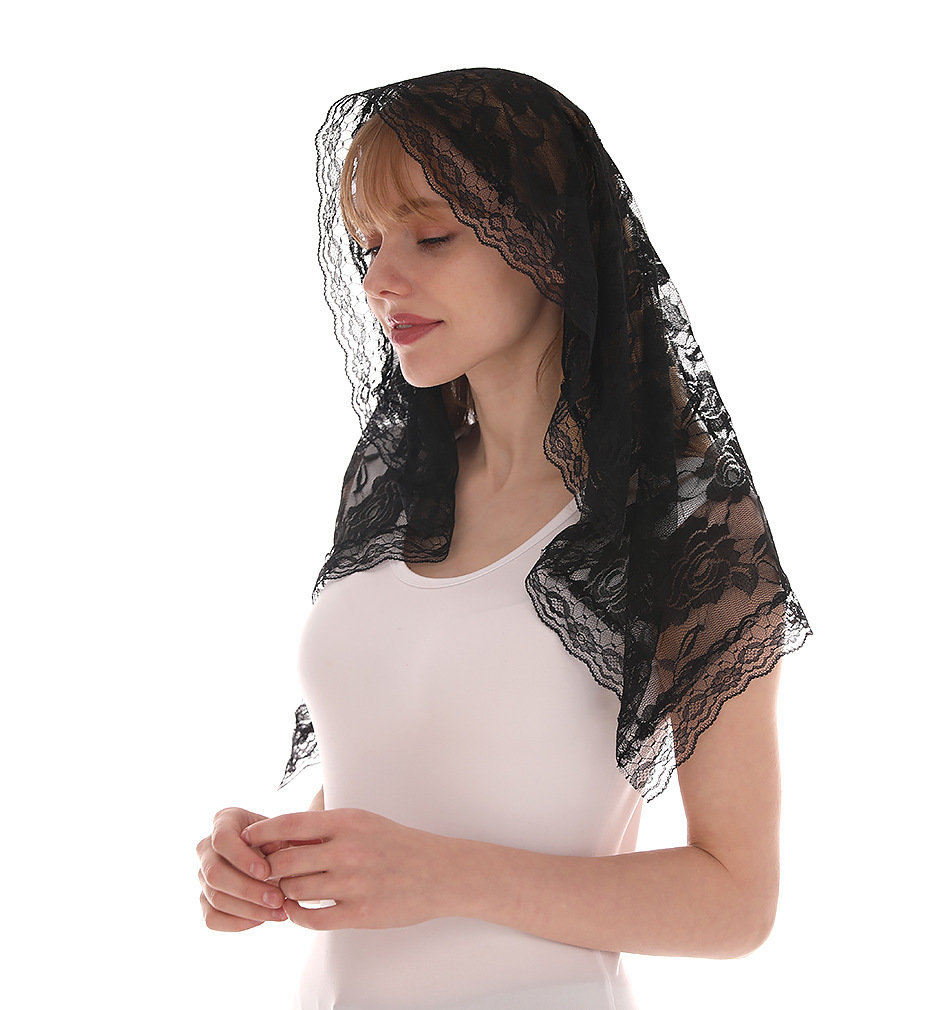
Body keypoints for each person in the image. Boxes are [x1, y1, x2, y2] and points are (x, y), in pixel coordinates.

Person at [196, 68, 812, 1010]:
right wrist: (272, 859)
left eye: (431, 236)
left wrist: (444, 875)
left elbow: (737, 901)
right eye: (369, 243)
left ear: (549, 239)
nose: (379, 281)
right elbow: (418, 774)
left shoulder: (683, 519)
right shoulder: (398, 488)